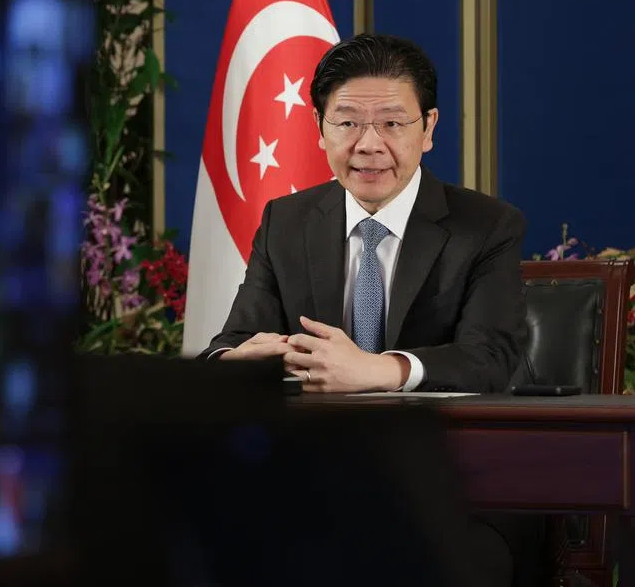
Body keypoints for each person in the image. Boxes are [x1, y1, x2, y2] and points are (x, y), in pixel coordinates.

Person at [201, 34, 545, 586]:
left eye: (392, 123)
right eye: (347, 123)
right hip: (309, 479)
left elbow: (491, 357)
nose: (368, 144)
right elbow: (233, 338)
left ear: (428, 129)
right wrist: (234, 364)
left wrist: (380, 369)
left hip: (453, 484)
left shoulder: (487, 227)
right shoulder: (286, 222)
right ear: (319, 129)